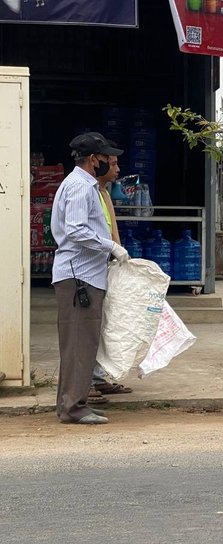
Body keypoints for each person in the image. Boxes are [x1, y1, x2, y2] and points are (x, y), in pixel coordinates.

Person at [51, 132, 129, 424]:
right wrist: (111, 246)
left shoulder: (85, 185)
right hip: (78, 277)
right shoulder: (80, 187)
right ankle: (73, 408)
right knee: (80, 345)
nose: (111, 163)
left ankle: (70, 403)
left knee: (79, 345)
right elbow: (76, 230)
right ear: (94, 160)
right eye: (107, 158)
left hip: (83, 276)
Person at [88, 144, 133, 403]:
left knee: (105, 325)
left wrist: (119, 253)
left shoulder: (104, 192)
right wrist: (113, 248)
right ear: (98, 162)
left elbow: (110, 227)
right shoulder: (88, 191)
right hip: (90, 269)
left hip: (106, 264)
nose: (117, 169)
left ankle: (98, 377)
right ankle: (88, 380)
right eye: (113, 164)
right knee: (89, 328)